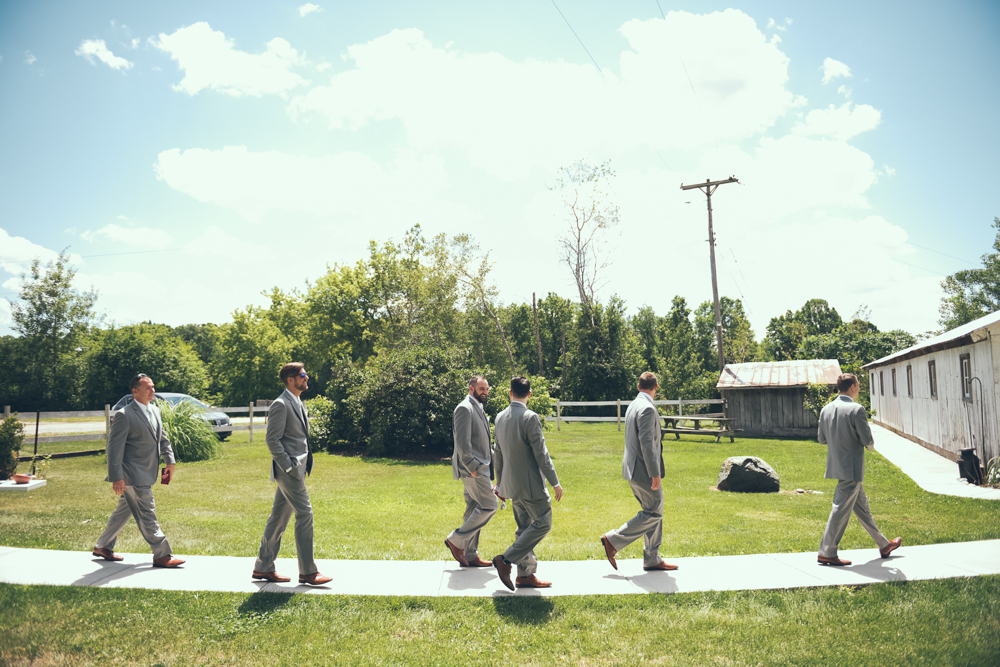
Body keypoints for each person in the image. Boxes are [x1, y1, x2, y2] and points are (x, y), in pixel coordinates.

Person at [93, 373, 184, 568]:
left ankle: (102, 546)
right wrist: (117, 477)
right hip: (132, 475)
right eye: (147, 388)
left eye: (152, 387)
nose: (153, 391)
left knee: (124, 511)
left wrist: (170, 460)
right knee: (147, 512)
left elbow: (162, 437)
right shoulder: (124, 415)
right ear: (135, 392)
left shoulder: (155, 411)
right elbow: (114, 449)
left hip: (147, 472)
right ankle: (162, 554)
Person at [252, 363, 332, 585]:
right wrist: (288, 466)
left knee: (278, 517)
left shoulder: (297, 401)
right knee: (305, 514)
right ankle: (308, 571)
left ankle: (263, 566)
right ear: (290, 379)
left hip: (296, 469)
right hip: (289, 471)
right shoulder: (280, 404)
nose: (307, 378)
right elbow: (272, 439)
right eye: (303, 375)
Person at [817, 373, 902, 566]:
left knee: (862, 508)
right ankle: (826, 552)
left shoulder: (826, 409)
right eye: (859, 384)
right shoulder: (857, 409)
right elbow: (867, 440)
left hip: (836, 465)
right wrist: (870, 446)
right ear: (853, 386)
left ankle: (884, 544)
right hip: (852, 467)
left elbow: (822, 439)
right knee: (839, 509)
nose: (860, 387)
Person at [600, 371, 678, 572]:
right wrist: (655, 473)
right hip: (643, 470)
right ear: (656, 387)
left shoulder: (633, 405)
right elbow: (647, 443)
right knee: (654, 512)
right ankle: (613, 540)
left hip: (632, 468)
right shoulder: (647, 409)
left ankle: (652, 558)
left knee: (653, 511)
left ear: (638, 386)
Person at [491, 376, 563, 590]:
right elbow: (542, 455)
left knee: (524, 528)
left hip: (511, 486)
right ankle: (505, 560)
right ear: (529, 394)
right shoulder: (530, 417)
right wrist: (555, 482)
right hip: (531, 486)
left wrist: (500, 483)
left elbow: (498, 454)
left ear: (509, 392)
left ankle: (525, 575)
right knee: (543, 522)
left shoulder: (499, 417)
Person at [444, 375, 498, 567]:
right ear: (471, 388)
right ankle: (455, 540)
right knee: (490, 505)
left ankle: (470, 555)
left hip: (481, 468)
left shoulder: (478, 408)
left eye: (487, 389)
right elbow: (462, 443)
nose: (485, 392)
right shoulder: (464, 408)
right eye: (481, 388)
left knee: (473, 510)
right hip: (473, 470)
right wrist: (473, 467)